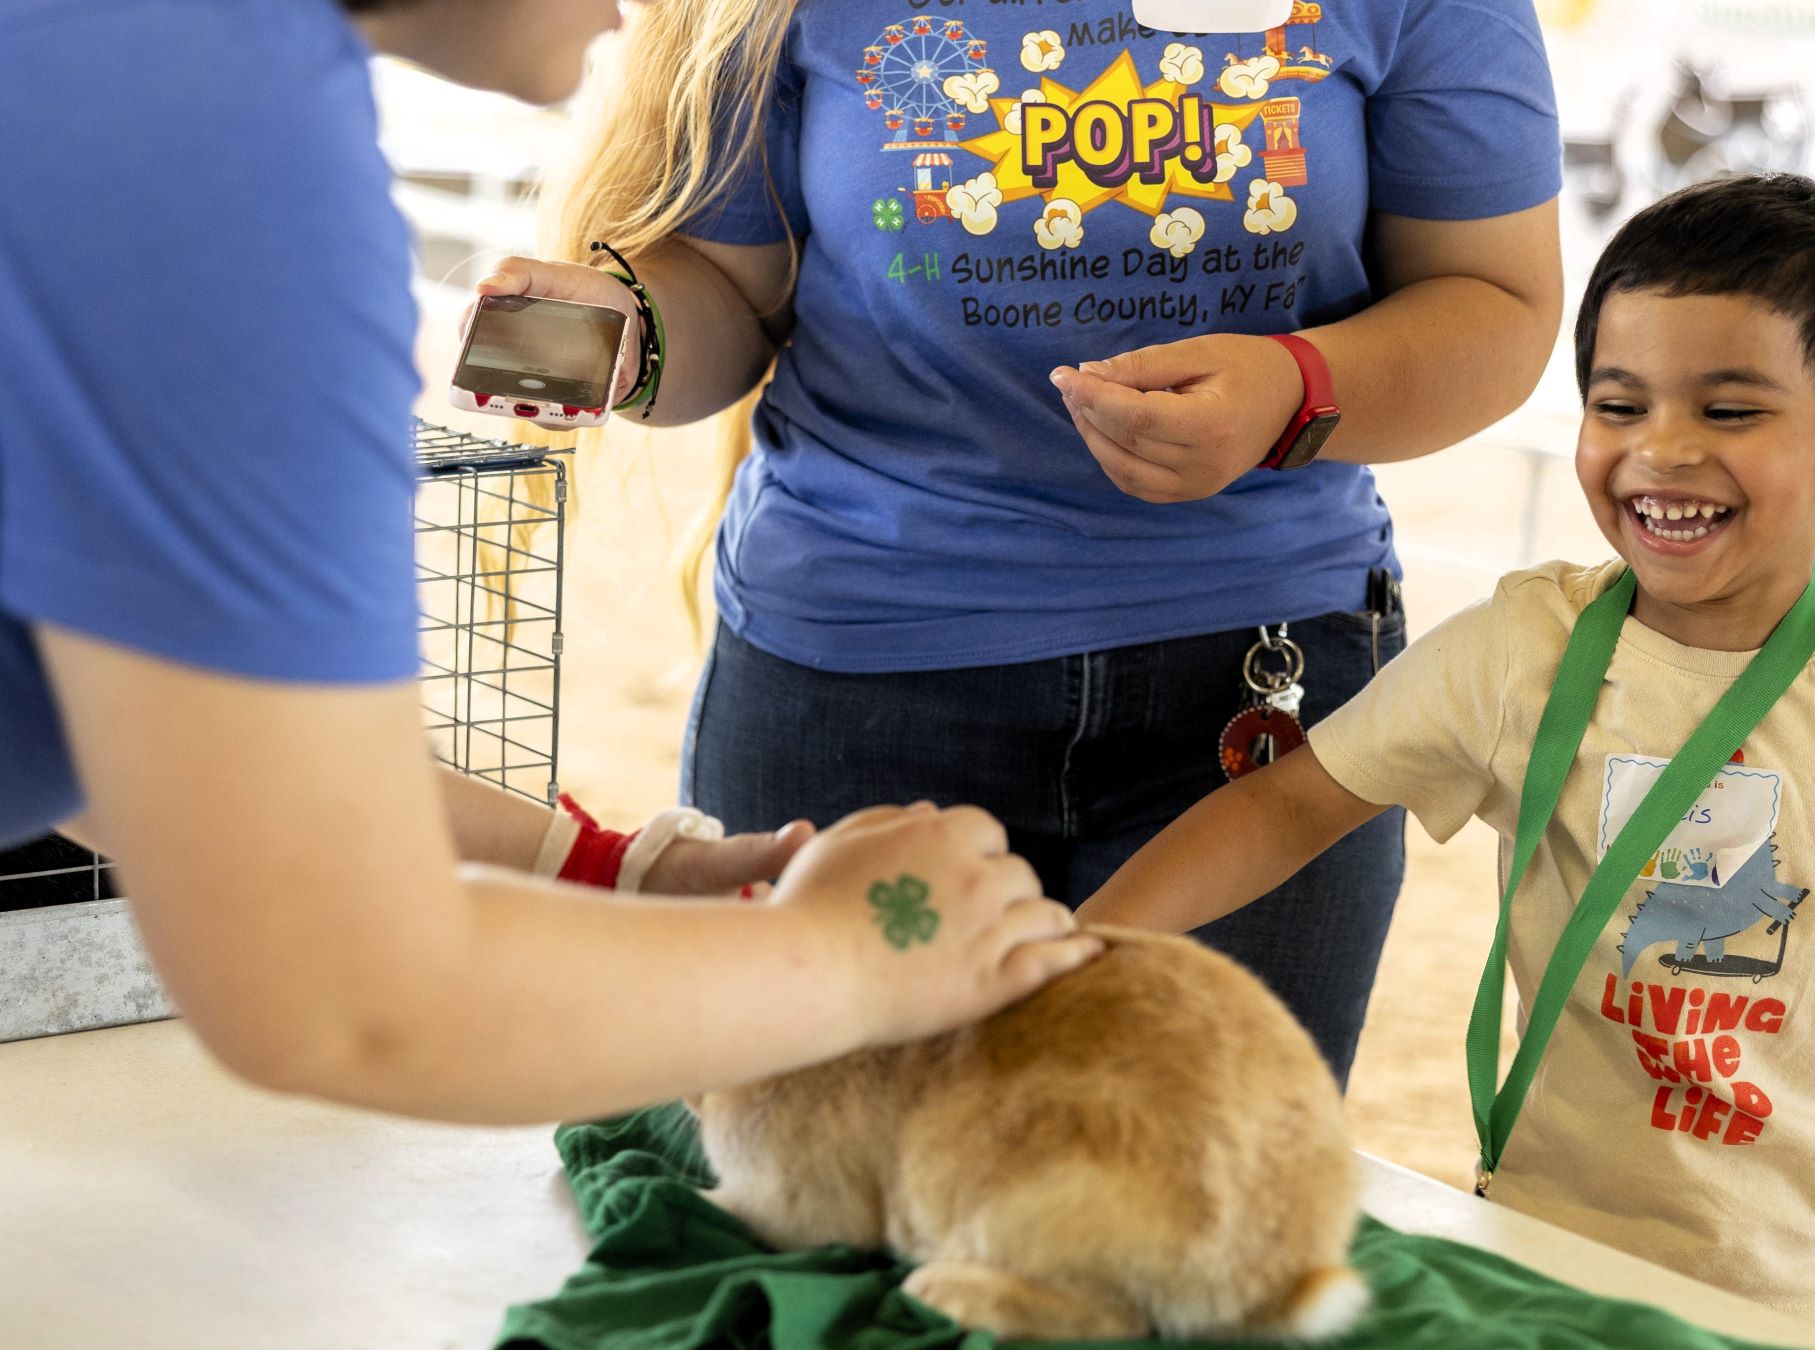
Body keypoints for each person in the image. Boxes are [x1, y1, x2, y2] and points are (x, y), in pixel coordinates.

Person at [1077, 175, 1815, 1348]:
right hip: (1553, 1265)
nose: (1661, 454)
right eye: (1619, 404)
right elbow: (1289, 807)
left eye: (1729, 412)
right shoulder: (1521, 646)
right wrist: (1079, 953)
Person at [0, 0, 1096, 1126]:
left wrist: (612, 870)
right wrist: (860, 958)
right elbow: (344, 993)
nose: (643, 10)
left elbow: (147, 729)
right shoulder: (207, 139)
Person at [470, 0, 1566, 1084]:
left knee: (1198, 1207)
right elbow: (724, 289)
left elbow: (1495, 300)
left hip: (1257, 692)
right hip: (850, 677)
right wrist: (628, 335)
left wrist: (1295, 392)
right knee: (819, 1181)